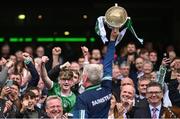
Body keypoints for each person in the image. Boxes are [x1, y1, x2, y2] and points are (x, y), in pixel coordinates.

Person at [72, 29, 118, 118]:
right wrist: (112, 40)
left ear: (84, 78)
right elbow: (108, 63)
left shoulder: (82, 98)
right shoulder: (107, 88)